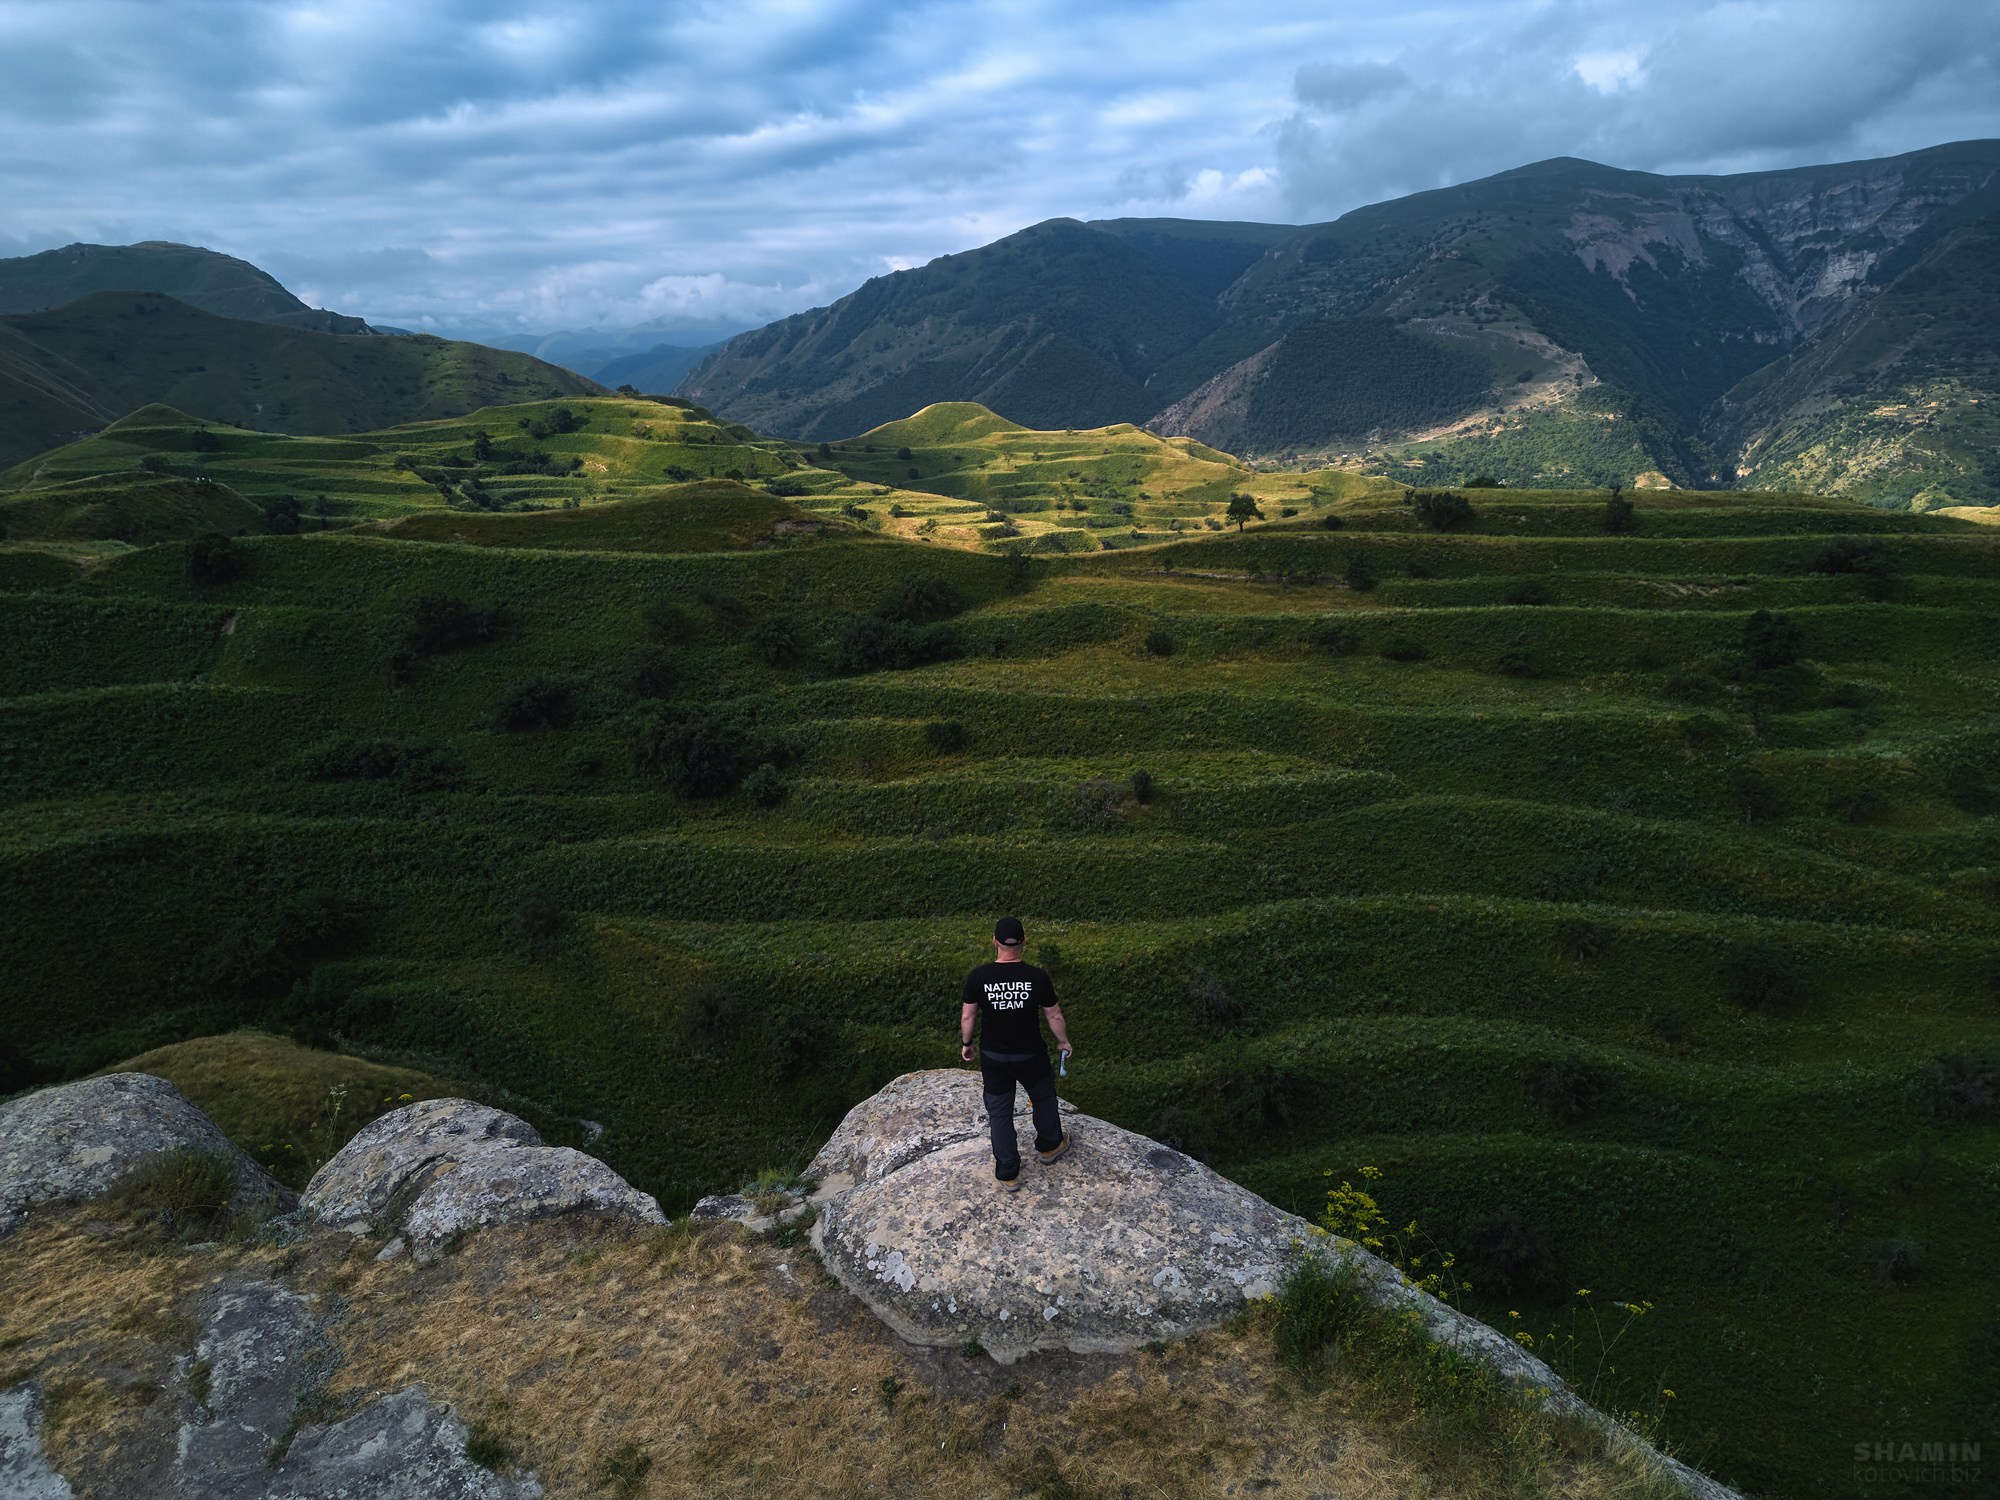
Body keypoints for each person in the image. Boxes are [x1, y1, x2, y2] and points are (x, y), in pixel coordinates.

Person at [960, 915, 1073, 1191]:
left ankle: (1008, 1173)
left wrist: (967, 1043)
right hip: (1030, 1054)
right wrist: (1063, 1042)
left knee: (999, 1113)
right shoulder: (1036, 976)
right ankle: (1049, 1147)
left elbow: (968, 1015)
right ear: (1024, 943)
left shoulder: (979, 976)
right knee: (1044, 1098)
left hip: (994, 1057)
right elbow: (1054, 1014)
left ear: (995, 942)